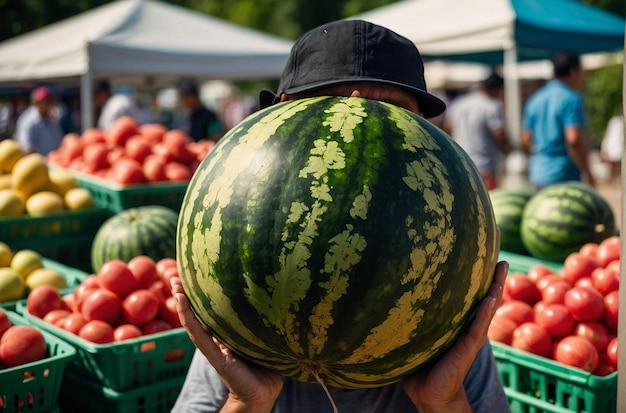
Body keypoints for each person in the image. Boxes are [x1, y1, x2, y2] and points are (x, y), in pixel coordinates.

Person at [171, 19, 510, 413]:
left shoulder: (443, 304)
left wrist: (446, 400)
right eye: (331, 103)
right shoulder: (240, 302)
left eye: (393, 111)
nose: (358, 125)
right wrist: (246, 401)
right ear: (279, 116)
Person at [522, 52, 596, 189]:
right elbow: (573, 139)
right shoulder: (571, 98)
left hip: (538, 173)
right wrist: (588, 173)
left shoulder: (535, 99)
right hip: (564, 175)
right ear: (573, 72)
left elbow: (527, 138)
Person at [444, 72, 512, 190]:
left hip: (460, 162)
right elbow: (498, 132)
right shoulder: (492, 105)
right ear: (496, 89)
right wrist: (508, 148)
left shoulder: (459, 103)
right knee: (488, 202)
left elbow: (448, 128)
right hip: (484, 165)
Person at [14, 86, 64, 156]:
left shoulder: (52, 119)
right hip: (35, 164)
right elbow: (26, 147)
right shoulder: (27, 120)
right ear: (38, 103)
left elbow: (59, 142)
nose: (50, 104)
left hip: (53, 162)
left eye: (50, 101)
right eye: (47, 102)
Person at [600, 113, 623, 184]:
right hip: (614, 147)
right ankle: (612, 181)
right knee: (613, 167)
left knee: (617, 167)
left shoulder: (618, 122)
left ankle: (614, 181)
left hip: (617, 147)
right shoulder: (615, 122)